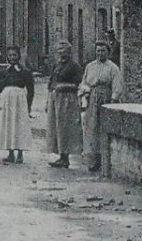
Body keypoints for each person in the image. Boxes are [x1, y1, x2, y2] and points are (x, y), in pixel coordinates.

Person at [80, 39, 122, 173]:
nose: (100, 53)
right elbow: (84, 83)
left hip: (106, 98)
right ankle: (94, 160)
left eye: (103, 51)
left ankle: (106, 161)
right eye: (98, 51)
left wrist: (113, 100)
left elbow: (117, 86)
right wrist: (85, 92)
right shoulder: (90, 66)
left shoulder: (113, 68)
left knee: (105, 128)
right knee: (92, 128)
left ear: (108, 52)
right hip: (93, 98)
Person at [46, 42, 84, 169]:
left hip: (68, 99)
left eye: (64, 52)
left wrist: (63, 86)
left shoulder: (74, 66)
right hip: (55, 98)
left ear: (69, 53)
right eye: (59, 52)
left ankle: (66, 157)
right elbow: (51, 82)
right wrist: (49, 97)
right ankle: (61, 156)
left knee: (65, 127)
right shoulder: (56, 65)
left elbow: (78, 83)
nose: (62, 55)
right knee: (56, 127)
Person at [0, 45, 34, 164]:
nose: (12, 57)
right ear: (7, 57)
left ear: (18, 56)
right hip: (7, 100)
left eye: (14, 55)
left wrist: (28, 105)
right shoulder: (4, 72)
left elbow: (30, 89)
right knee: (8, 125)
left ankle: (20, 154)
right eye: (10, 55)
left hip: (19, 101)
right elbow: (0, 88)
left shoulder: (24, 72)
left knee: (19, 125)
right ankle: (10, 153)